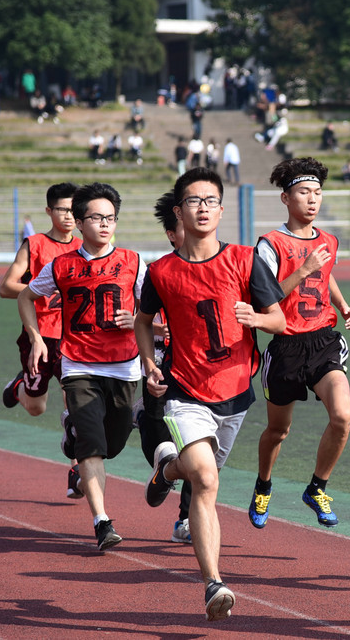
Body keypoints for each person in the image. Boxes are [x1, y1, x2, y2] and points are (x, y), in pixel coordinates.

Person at [135, 167, 286, 621]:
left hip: (235, 391)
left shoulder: (244, 260)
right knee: (206, 481)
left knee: (197, 472)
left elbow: (279, 320)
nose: (202, 207)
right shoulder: (160, 271)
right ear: (179, 211)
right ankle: (213, 583)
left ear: (221, 209)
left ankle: (165, 470)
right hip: (184, 389)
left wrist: (254, 318)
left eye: (210, 200)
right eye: (193, 201)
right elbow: (144, 321)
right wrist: (148, 362)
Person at [18, 182, 145, 552]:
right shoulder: (61, 265)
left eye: (111, 218)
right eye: (97, 217)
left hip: (123, 367)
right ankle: (102, 521)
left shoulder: (135, 262)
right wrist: (37, 337)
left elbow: (155, 311)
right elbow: (27, 295)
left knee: (114, 444)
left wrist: (136, 319)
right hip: (78, 366)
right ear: (79, 220)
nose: (105, 224)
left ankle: (72, 428)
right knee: (92, 448)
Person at [248, 157, 350, 530]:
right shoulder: (270, 244)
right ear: (285, 198)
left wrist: (342, 305)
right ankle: (263, 485)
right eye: (303, 192)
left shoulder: (328, 240)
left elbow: (326, 274)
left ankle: (317, 486)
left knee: (342, 415)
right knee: (279, 430)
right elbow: (266, 299)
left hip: (324, 341)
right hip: (285, 345)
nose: (312, 200)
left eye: (317, 193)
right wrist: (304, 269)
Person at [0, 184, 83, 496]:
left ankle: (77, 469)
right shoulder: (34, 244)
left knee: (76, 401)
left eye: (74, 209)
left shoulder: (84, 246)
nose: (69, 215)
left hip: (75, 337)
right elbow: (7, 287)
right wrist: (41, 288)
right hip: (39, 335)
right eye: (62, 209)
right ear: (49, 211)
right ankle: (21, 385)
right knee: (36, 407)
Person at [132, 192, 195, 544]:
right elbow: (139, 317)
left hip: (203, 371)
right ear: (172, 234)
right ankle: (143, 421)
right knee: (164, 441)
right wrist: (150, 354)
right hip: (162, 363)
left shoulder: (224, 263)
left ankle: (186, 518)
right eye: (184, 226)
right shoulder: (157, 271)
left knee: (200, 449)